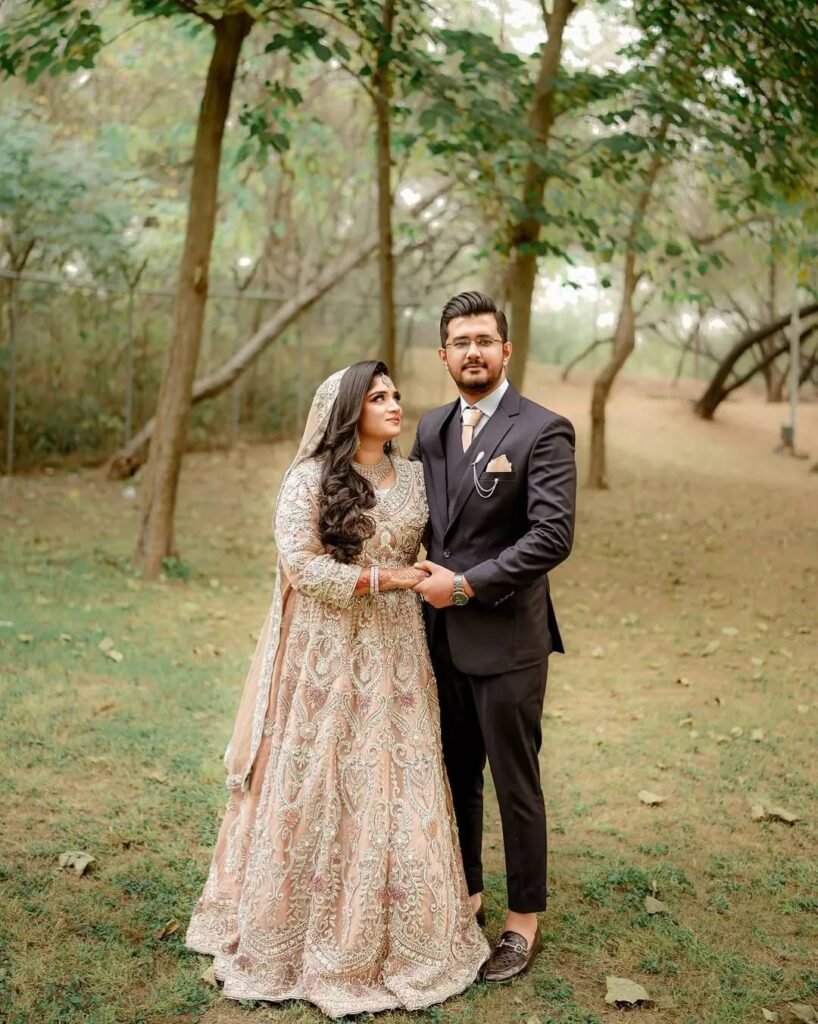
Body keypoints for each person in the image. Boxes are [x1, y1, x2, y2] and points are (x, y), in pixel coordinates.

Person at [186, 361, 488, 1018]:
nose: (394, 404)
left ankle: (406, 931)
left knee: (397, 777)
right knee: (321, 773)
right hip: (324, 654)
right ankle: (294, 930)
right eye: (378, 397)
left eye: (395, 394)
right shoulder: (308, 479)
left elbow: (450, 542)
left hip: (398, 656)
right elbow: (303, 568)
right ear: (349, 410)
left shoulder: (416, 478)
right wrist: (390, 579)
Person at [410, 291, 577, 983]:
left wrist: (466, 584)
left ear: (506, 350)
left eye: (484, 340)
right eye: (461, 341)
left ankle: (522, 920)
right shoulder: (429, 428)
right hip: (438, 639)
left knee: (515, 782)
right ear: (443, 354)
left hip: (508, 640)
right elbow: (415, 518)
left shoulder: (544, 429)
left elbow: (551, 537)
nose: (472, 351)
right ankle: (468, 896)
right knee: (455, 775)